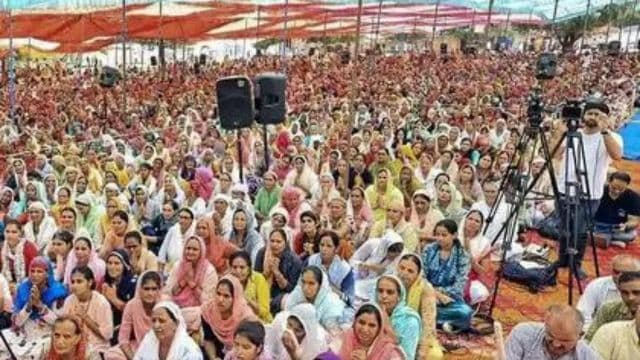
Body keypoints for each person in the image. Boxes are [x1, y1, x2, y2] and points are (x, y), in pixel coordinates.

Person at [550, 100, 623, 276]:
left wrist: (605, 130)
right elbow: (552, 154)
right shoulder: (573, 134)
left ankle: (576, 263)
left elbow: (617, 155)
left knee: (581, 230)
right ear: (584, 115)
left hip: (590, 193)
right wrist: (558, 134)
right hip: (564, 189)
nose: (592, 117)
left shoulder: (611, 136)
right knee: (564, 227)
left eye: (598, 114)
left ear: (605, 117)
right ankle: (562, 259)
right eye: (590, 113)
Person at [422, 219, 473, 332]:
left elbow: (459, 285)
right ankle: (444, 323)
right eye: (437, 235)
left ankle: (432, 319)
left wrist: (439, 294)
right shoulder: (428, 249)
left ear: (454, 235)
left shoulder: (463, 256)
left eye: (444, 235)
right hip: (426, 294)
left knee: (465, 313)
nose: (439, 238)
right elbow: (422, 275)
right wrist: (432, 293)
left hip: (449, 299)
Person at [104, 271, 164, 360]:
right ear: (140, 289)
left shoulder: (165, 305)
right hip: (140, 346)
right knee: (111, 354)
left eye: (154, 289)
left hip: (161, 349)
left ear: (159, 289)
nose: (150, 293)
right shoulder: (132, 305)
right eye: (146, 289)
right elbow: (123, 339)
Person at [505, 304, 599, 360]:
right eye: (550, 336)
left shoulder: (586, 355)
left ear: (580, 336)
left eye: (564, 340)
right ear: (545, 324)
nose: (556, 344)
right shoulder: (523, 334)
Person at [395, 253, 442, 359]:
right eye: (402, 268)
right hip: (392, 331)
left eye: (410, 271)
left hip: (416, 334)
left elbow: (428, 323)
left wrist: (422, 350)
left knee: (434, 355)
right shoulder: (391, 283)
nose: (404, 273)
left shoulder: (425, 288)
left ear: (418, 274)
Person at [577, 254, 640, 330]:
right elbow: (583, 313)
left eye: (625, 273)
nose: (619, 276)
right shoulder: (597, 285)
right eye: (616, 272)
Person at [201, 275, 258, 359]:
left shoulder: (245, 317)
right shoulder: (208, 310)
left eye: (226, 296)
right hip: (217, 353)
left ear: (235, 297)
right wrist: (213, 357)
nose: (220, 300)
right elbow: (208, 339)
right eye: (218, 293)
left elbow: (250, 347)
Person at [62, 266, 114, 358]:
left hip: (97, 348)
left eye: (79, 281)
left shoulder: (101, 302)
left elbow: (107, 335)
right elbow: (64, 328)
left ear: (90, 282)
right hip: (73, 347)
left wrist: (85, 318)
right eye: (73, 282)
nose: (74, 285)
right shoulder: (69, 301)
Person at [13, 257, 68, 334]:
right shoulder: (23, 288)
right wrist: (29, 305)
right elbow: (17, 322)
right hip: (27, 330)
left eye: (39, 271)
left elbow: (59, 323)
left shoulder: (57, 291)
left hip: (50, 332)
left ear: (47, 274)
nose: (35, 275)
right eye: (32, 271)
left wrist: (39, 305)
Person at [284, 266, 348, 332]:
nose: (305, 288)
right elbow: (286, 316)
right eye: (303, 282)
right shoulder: (298, 293)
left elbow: (334, 333)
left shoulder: (331, 304)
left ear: (320, 285)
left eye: (311, 283)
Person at [133, 301, 203, 360]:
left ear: (176, 324)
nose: (156, 325)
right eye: (154, 321)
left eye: (162, 321)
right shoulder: (148, 340)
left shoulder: (188, 350)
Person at [255, 229, 302, 314]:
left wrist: (276, 272)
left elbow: (292, 289)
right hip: (261, 291)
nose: (274, 244)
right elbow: (254, 280)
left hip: (282, 296)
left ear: (285, 243)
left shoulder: (294, 260)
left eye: (278, 242)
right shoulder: (262, 253)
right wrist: (267, 272)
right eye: (272, 241)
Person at [374, 275, 422, 360]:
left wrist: (387, 326)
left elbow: (407, 357)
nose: (384, 296)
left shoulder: (410, 320)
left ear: (399, 296)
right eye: (380, 291)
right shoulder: (372, 312)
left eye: (390, 292)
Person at [164, 235, 217, 308]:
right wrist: (184, 280)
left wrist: (191, 282)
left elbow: (207, 300)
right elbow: (170, 291)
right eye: (188, 248)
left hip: (198, 308)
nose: (190, 252)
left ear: (201, 251)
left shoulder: (209, 270)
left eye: (195, 249)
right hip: (176, 304)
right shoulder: (178, 265)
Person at [585, 270, 640, 341]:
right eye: (625, 292)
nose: (630, 298)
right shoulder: (608, 310)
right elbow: (589, 339)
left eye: (636, 292)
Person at [337, 303, 404, 360]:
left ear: (379, 328)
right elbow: (328, 356)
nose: (365, 329)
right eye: (361, 322)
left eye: (372, 325)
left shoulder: (389, 351)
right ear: (354, 322)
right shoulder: (347, 336)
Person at [592, 171, 640, 248]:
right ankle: (610, 241)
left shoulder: (633, 197)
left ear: (627, 186)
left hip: (616, 228)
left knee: (631, 235)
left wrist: (626, 225)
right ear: (609, 182)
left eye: (621, 189)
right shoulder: (599, 191)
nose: (616, 191)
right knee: (582, 229)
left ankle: (600, 239)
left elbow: (635, 220)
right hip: (596, 225)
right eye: (613, 188)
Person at [306, 230, 355, 305]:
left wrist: (327, 284)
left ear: (336, 248)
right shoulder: (312, 260)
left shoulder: (344, 269)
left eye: (329, 246)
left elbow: (349, 299)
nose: (324, 249)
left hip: (335, 303)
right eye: (322, 245)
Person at [229, 250, 272, 323]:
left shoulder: (258, 279)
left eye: (242, 267)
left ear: (249, 269)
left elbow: (265, 311)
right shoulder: (228, 281)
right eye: (234, 267)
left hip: (260, 321)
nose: (238, 271)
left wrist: (247, 300)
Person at [102, 249, 137, 330]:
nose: (112, 267)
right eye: (109, 263)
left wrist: (114, 300)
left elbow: (135, 313)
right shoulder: (105, 282)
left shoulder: (133, 284)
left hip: (128, 327)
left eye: (117, 263)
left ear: (125, 266)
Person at [2, 219, 39, 291]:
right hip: (8, 284)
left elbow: (36, 272)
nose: (10, 235)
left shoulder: (29, 247)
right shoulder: (3, 247)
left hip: (28, 283)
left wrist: (17, 286)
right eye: (7, 231)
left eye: (14, 232)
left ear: (20, 233)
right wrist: (8, 284)